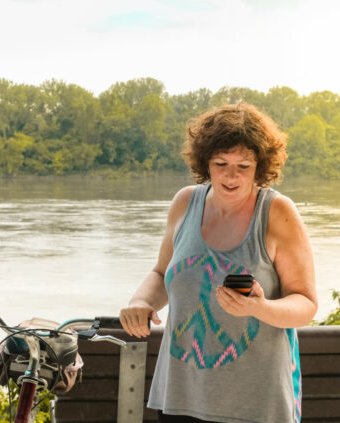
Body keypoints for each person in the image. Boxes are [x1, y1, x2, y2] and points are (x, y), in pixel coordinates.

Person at [120, 102, 317, 423]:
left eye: (244, 166)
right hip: (181, 395)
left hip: (257, 403)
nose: (230, 175)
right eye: (221, 163)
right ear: (205, 163)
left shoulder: (278, 213)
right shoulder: (185, 202)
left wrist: (259, 308)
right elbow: (161, 274)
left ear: (260, 167)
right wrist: (141, 301)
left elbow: (306, 303)